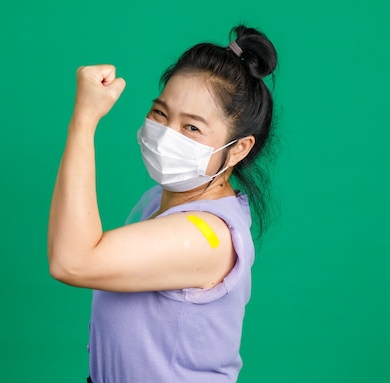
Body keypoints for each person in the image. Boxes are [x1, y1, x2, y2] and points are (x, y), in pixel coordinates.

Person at [47, 24, 278, 383]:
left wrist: (84, 120)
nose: (168, 133)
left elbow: (72, 261)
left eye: (193, 128)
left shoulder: (206, 237)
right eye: (160, 113)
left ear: (239, 148)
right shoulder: (158, 200)